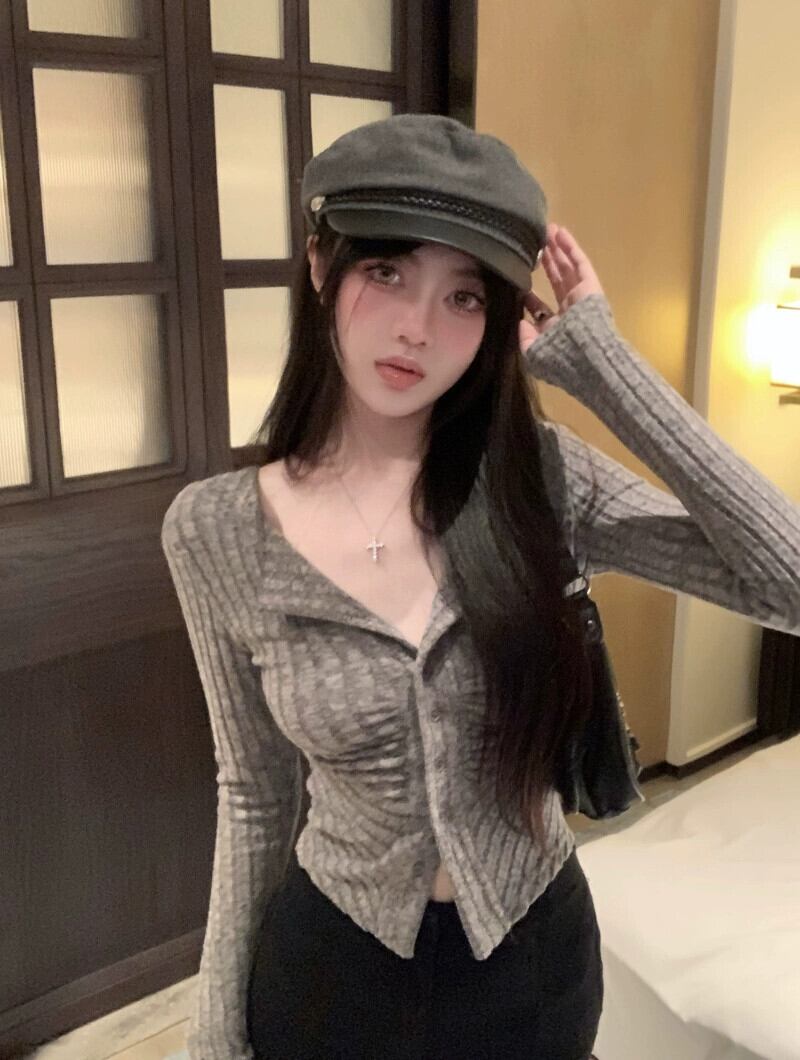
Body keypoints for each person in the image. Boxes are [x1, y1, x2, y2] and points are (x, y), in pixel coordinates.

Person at [161, 113, 800, 1060]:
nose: (418, 329)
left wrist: (603, 367)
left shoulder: (542, 480)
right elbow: (254, 794)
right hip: (333, 975)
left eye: (464, 296)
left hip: (531, 973)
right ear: (321, 265)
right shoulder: (215, 529)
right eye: (387, 272)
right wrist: (216, 1037)